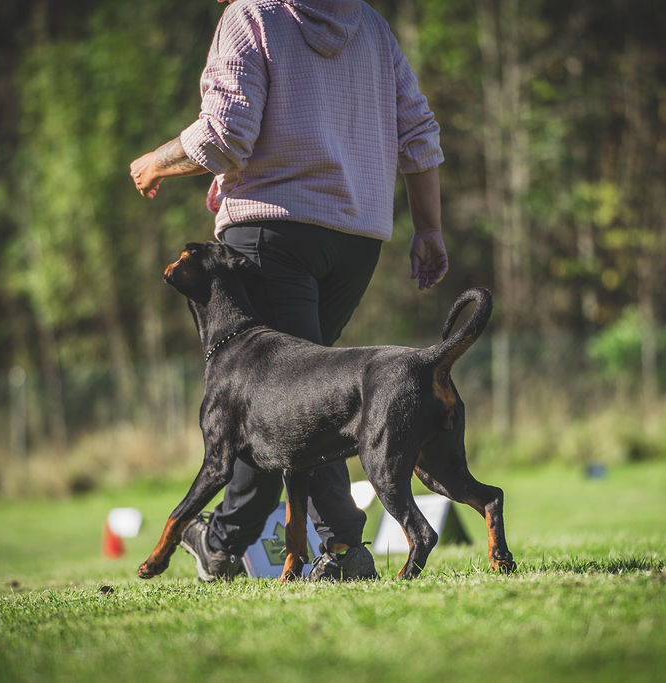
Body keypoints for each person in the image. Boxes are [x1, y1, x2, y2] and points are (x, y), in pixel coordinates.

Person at [129, 0, 447, 581]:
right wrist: (428, 227)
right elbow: (418, 132)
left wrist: (157, 161)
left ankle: (339, 547)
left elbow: (226, 135)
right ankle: (227, 540)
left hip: (271, 233)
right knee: (281, 398)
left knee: (296, 396)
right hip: (356, 240)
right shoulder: (370, 25)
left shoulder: (252, 17)